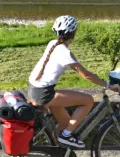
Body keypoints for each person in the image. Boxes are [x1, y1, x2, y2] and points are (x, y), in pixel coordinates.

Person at [27, 15, 110, 149]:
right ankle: (67, 136)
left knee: (65, 122)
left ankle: (53, 153)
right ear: (73, 33)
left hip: (34, 90)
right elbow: (86, 75)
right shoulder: (65, 52)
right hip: (44, 94)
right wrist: (108, 85)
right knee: (88, 100)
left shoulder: (52, 44)